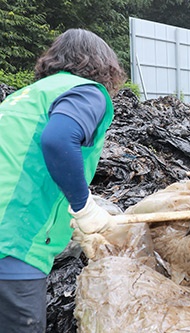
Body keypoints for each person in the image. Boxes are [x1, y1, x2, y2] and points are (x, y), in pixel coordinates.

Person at [0, 29, 126, 332]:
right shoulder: (86, 90)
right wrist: (83, 208)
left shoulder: (24, 96)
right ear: (103, 65)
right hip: (13, 243)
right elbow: (58, 140)